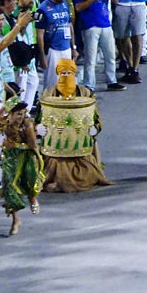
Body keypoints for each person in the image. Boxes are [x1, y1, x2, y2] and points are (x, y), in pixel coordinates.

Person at [38, 58, 108, 193]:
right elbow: (41, 116)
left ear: (74, 74)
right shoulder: (48, 94)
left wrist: (95, 129)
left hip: (80, 144)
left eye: (69, 73)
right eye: (62, 73)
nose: (66, 76)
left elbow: (94, 116)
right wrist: (39, 128)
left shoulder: (85, 93)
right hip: (56, 146)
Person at [0, 96, 43, 237]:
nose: (20, 117)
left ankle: (32, 198)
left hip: (25, 156)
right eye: (18, 114)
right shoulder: (5, 121)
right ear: (10, 114)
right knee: (9, 186)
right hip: (10, 157)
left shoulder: (27, 125)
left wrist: (16, 145)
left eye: (22, 114)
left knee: (28, 181)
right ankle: (15, 220)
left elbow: (32, 145)